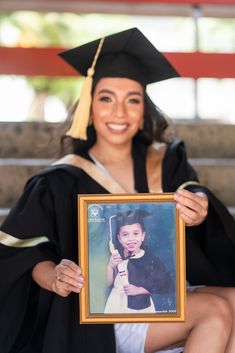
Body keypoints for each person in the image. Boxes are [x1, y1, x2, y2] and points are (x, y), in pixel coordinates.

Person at [0, 27, 235, 353]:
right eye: (106, 98)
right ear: (89, 107)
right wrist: (54, 275)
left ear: (144, 110)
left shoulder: (165, 161)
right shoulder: (60, 180)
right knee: (217, 311)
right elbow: (23, 251)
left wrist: (199, 208)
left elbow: (193, 191)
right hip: (101, 316)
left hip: (166, 298)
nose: (120, 112)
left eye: (132, 100)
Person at [104, 209, 174, 314]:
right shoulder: (116, 256)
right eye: (125, 235)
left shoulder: (150, 259)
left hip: (139, 307)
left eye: (136, 233)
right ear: (119, 238)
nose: (131, 239)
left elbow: (165, 283)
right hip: (116, 302)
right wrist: (110, 266)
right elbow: (107, 283)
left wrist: (139, 290)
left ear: (143, 236)